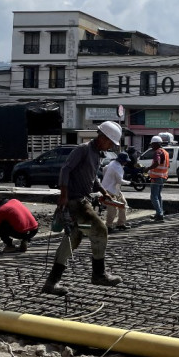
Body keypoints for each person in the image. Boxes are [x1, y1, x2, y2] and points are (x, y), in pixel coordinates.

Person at [41, 121, 123, 296]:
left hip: (81, 201)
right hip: (75, 203)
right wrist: (64, 195)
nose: (110, 146)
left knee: (73, 238)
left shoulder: (97, 154)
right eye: (110, 142)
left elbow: (93, 178)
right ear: (102, 137)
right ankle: (99, 274)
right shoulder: (83, 149)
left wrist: (104, 192)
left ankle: (51, 282)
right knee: (100, 230)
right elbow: (65, 170)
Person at [101, 151, 132, 233]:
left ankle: (121, 224)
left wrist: (108, 179)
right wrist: (129, 182)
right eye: (125, 161)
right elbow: (119, 180)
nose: (126, 163)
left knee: (123, 204)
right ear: (122, 161)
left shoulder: (112, 163)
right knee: (112, 209)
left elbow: (104, 169)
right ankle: (108, 226)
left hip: (113, 188)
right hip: (110, 190)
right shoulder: (118, 167)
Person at [146, 135, 170, 222]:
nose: (152, 146)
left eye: (152, 144)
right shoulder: (166, 152)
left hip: (156, 177)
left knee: (154, 197)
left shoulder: (157, 152)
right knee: (158, 196)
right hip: (163, 177)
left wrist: (148, 168)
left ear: (156, 144)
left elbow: (157, 163)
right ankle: (159, 213)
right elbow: (168, 165)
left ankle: (159, 214)